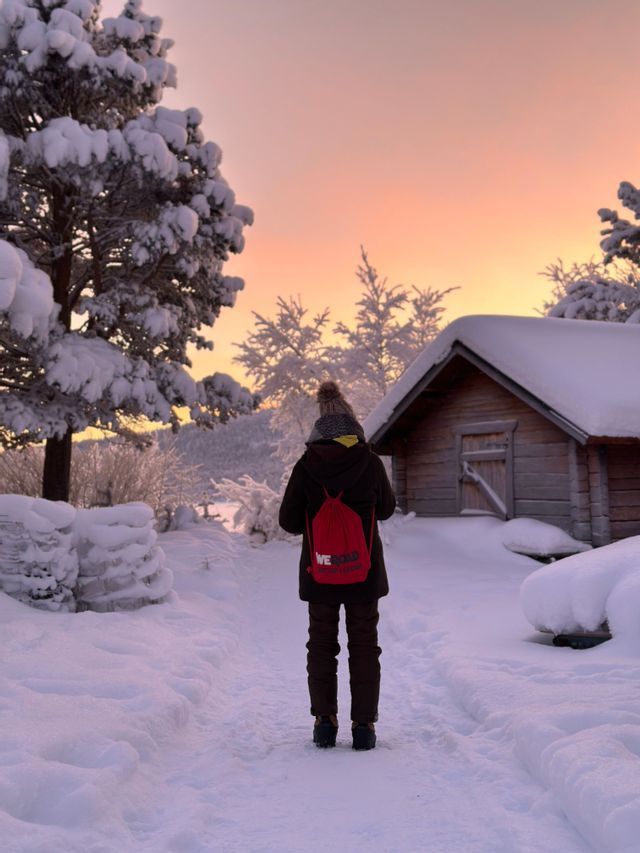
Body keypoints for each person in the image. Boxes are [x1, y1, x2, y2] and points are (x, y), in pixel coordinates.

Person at [278, 380, 396, 750]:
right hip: (364, 573)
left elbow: (288, 521)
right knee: (364, 646)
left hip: (320, 573)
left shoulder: (306, 466)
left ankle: (324, 723)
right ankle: (363, 727)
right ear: (352, 424)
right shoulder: (369, 462)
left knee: (321, 645)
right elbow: (387, 509)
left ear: (319, 426)